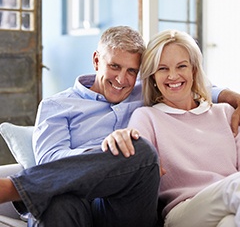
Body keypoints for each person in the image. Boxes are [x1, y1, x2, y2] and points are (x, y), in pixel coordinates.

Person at [0, 26, 240, 227]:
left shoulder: (143, 92)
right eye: (114, 66)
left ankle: (15, 188)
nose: (122, 79)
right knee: (57, 203)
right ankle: (20, 189)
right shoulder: (57, 106)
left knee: (139, 150)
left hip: (125, 206)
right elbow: (51, 161)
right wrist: (107, 154)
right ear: (96, 60)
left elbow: (180, 82)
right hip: (76, 197)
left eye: (132, 71)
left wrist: (230, 96)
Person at [102, 29, 240, 227]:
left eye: (181, 66)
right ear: (153, 77)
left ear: (193, 70)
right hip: (183, 211)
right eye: (163, 69)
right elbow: (136, 160)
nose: (173, 76)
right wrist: (121, 138)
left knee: (228, 222)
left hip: (228, 203)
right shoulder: (147, 117)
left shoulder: (226, 113)